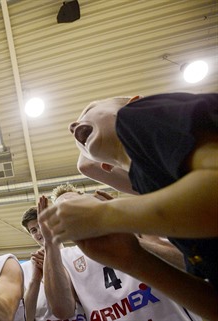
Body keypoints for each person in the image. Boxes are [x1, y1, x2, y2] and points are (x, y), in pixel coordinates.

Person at [40, 93, 218, 319]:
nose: (72, 125)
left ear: (133, 100)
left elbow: (85, 166)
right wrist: (132, 259)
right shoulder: (157, 189)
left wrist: (104, 215)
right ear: (106, 165)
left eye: (87, 109)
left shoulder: (134, 114)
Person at [41, 184, 201, 321]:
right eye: (62, 210)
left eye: (75, 203)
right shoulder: (65, 257)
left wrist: (128, 232)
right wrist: (50, 243)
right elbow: (62, 310)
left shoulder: (134, 225)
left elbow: (186, 262)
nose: (72, 212)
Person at [20, 204, 86, 321]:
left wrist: (54, 270)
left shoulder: (77, 256)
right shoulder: (26, 269)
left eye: (41, 225)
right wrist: (35, 279)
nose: (40, 232)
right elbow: (26, 317)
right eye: (33, 230)